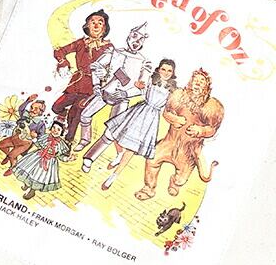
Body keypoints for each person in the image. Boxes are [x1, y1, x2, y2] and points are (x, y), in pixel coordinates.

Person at [81, 59, 177, 190]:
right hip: (138, 111)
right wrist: (128, 91)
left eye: (169, 71)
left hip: (151, 119)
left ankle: (113, 176)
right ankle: (119, 153)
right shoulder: (151, 80)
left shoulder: (173, 90)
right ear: (158, 69)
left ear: (173, 73)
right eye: (163, 69)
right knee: (115, 131)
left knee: (132, 147)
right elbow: (139, 90)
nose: (166, 73)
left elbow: (171, 107)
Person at [135, 68, 224, 200]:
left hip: (188, 150)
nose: (198, 83)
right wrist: (174, 118)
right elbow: (166, 112)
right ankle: (149, 188)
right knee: (152, 160)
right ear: (191, 82)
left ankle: (175, 183)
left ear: (207, 86)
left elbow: (212, 129)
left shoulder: (212, 106)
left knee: (181, 179)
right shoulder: (178, 95)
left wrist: (201, 131)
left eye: (202, 81)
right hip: (169, 142)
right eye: (196, 80)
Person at [72, 22, 152, 156]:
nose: (136, 42)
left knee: (112, 131)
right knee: (85, 115)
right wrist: (96, 85)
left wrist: (126, 93)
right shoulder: (114, 52)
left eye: (140, 39)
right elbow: (96, 66)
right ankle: (85, 139)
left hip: (122, 99)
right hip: (105, 92)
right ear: (129, 36)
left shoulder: (144, 62)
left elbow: (143, 86)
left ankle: (91, 157)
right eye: (134, 37)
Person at [51, 9, 112, 145]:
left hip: (92, 87)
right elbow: (59, 51)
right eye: (92, 22)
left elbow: (114, 67)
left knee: (76, 115)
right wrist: (63, 63)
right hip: (76, 83)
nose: (96, 25)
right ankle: (63, 118)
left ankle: (67, 142)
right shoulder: (81, 43)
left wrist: (105, 75)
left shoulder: (109, 47)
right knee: (56, 107)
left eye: (100, 22)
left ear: (104, 27)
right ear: (87, 26)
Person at [13, 119, 70, 201]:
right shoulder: (46, 137)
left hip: (49, 162)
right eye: (54, 127)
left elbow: (60, 156)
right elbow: (39, 144)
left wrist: (67, 158)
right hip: (38, 156)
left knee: (38, 176)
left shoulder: (61, 144)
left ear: (62, 132)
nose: (55, 130)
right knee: (30, 170)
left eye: (58, 129)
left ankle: (32, 191)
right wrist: (34, 138)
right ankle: (27, 184)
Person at [0, 94, 47, 177]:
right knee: (1, 145)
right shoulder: (25, 114)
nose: (32, 110)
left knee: (12, 155)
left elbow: (42, 137)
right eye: (31, 107)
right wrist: (28, 101)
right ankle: (9, 156)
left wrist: (35, 136)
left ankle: (13, 167)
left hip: (25, 143)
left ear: (41, 112)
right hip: (15, 137)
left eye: (36, 109)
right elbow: (20, 109)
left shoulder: (40, 123)